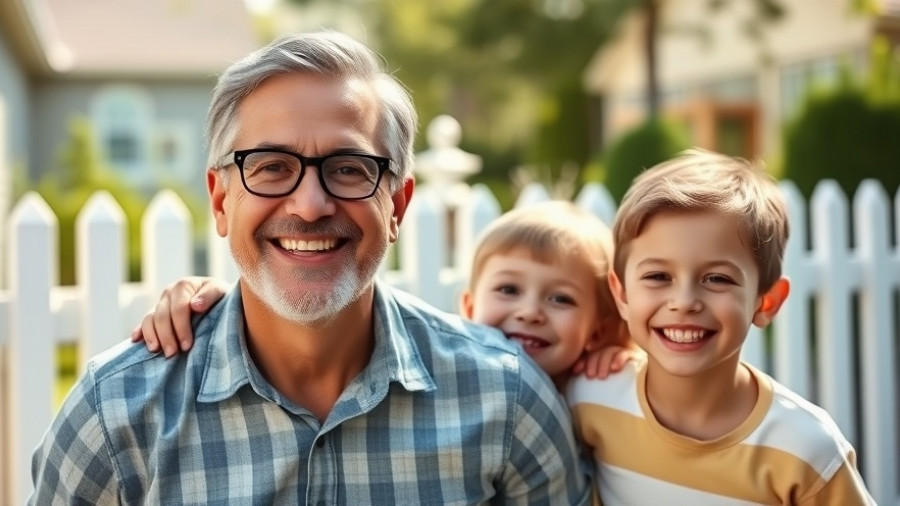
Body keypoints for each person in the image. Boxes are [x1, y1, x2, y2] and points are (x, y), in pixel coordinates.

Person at [30, 31, 591, 505]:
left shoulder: (506, 401)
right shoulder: (116, 416)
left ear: (397, 206)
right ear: (221, 201)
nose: (310, 205)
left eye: (348, 168)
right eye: (272, 166)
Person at [567, 149, 876, 505]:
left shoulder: (807, 452)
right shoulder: (589, 400)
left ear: (766, 301)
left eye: (717, 278)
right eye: (658, 276)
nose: (684, 301)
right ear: (621, 293)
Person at [135, 201, 635, 386]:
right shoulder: (454, 364)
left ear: (600, 329)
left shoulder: (605, 384)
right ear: (467, 307)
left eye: (560, 299)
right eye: (508, 289)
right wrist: (215, 299)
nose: (529, 312)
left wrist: (624, 358)